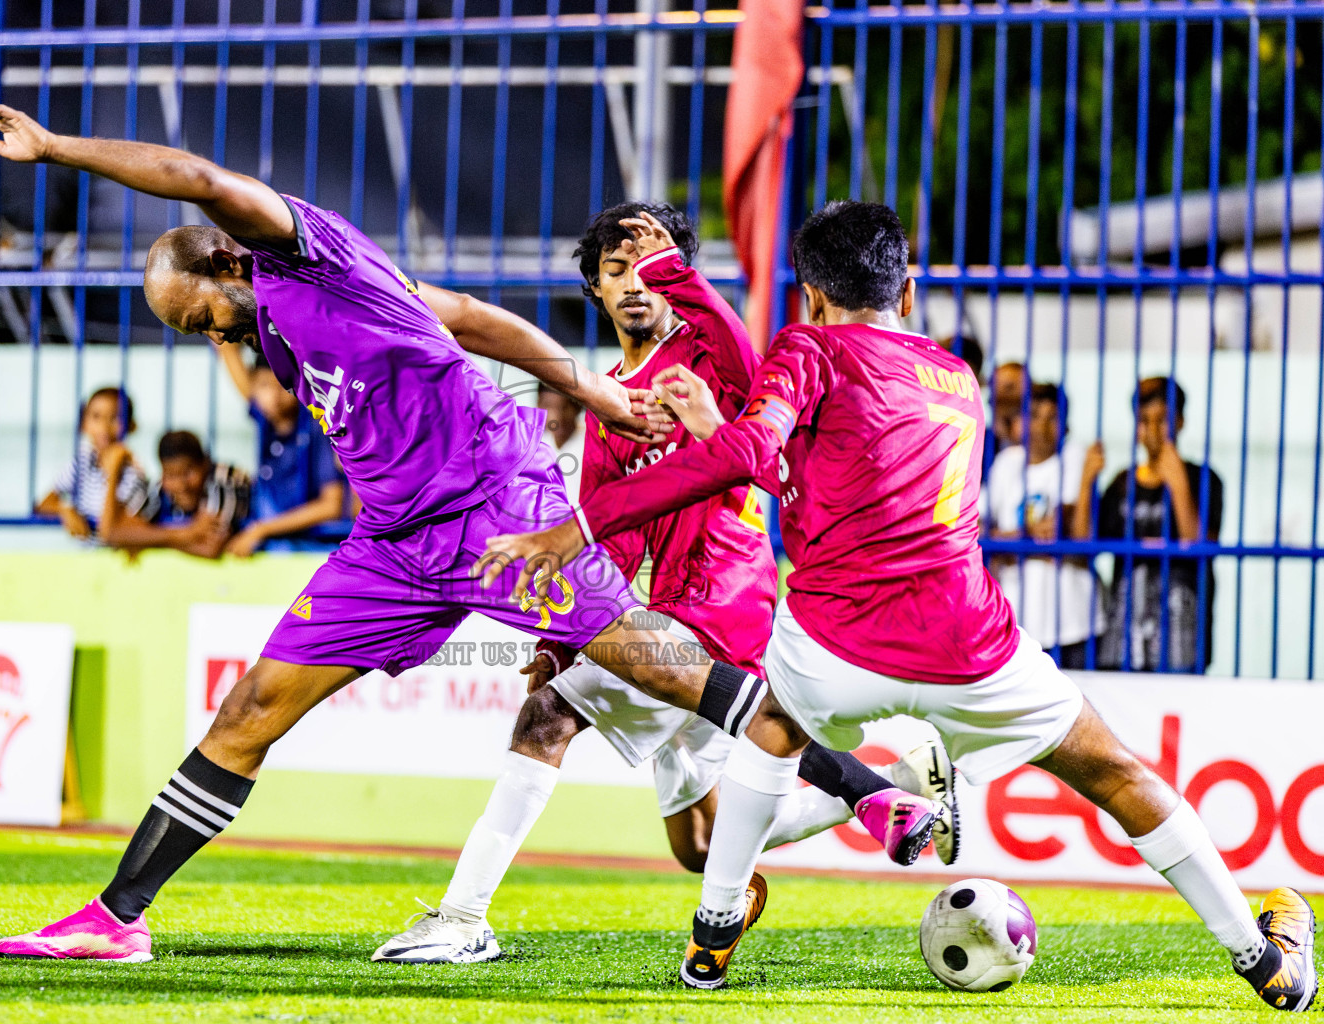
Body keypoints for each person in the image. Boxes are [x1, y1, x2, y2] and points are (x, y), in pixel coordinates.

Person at [0, 93, 908, 964]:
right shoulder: (291, 321)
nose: (207, 333)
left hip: (502, 509)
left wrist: (56, 149)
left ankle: (871, 792)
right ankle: (119, 918)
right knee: (251, 711)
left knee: (676, 678)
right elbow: (463, 316)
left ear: (225, 258)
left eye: (197, 314)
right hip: (394, 547)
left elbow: (202, 179)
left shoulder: (300, 250)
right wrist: (588, 386)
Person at [474, 201, 1315, 1009]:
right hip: (971, 646)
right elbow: (839, 483)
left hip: (834, 645)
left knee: (767, 728)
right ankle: (1262, 959)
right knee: (1120, 774)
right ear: (906, 294)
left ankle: (711, 941)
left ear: (809, 295)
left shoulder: (806, 350)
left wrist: (583, 524)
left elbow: (761, 456)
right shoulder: (957, 377)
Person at [372, 203, 951, 965]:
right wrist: (558, 639)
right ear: (597, 291)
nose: (636, 283)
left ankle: (463, 916)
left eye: (652, 267)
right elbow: (610, 532)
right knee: (701, 844)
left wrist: (682, 271)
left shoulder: (715, 358)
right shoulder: (609, 398)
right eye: (618, 271)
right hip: (664, 607)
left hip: (721, 601)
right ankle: (899, 783)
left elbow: (735, 382)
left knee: (545, 720)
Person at [1092, 377, 1223, 673]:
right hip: (1124, 638)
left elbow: (1201, 545)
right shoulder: (1121, 484)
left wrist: (1178, 485)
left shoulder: (1204, 479)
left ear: (1180, 422)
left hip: (1182, 638)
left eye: (1162, 420)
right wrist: (1087, 483)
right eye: (1144, 421)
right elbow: (1085, 544)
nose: (1152, 431)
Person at [987, 382, 1103, 668]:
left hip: (1072, 624)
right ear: (1019, 422)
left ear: (1066, 425)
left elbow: (1064, 530)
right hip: (1016, 624)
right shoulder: (1005, 463)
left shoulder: (1075, 457)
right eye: (1035, 415)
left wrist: (1008, 545)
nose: (1042, 425)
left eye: (1053, 417)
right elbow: (977, 532)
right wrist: (1026, 537)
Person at [213, 340, 348, 555]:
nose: (273, 397)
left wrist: (261, 530)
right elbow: (225, 349)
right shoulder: (264, 418)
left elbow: (331, 506)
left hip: (315, 545)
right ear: (254, 385)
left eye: (282, 386)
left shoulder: (318, 426)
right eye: (265, 386)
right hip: (276, 541)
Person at [97, 429, 248, 560]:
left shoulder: (225, 480)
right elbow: (113, 533)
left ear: (205, 464)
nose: (181, 485)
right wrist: (185, 534)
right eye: (171, 476)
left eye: (188, 473)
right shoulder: (160, 489)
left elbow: (209, 549)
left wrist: (145, 539)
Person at [36, 386, 152, 542]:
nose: (104, 426)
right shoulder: (82, 463)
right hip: (87, 560)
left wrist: (113, 470)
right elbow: (43, 504)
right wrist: (65, 510)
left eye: (115, 418)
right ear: (84, 423)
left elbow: (109, 530)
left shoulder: (134, 474)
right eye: (96, 417)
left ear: (131, 426)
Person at [536, 382, 584, 503]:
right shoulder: (536, 447)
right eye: (549, 406)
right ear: (538, 405)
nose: (557, 417)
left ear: (578, 407)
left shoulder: (591, 444)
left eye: (565, 407)